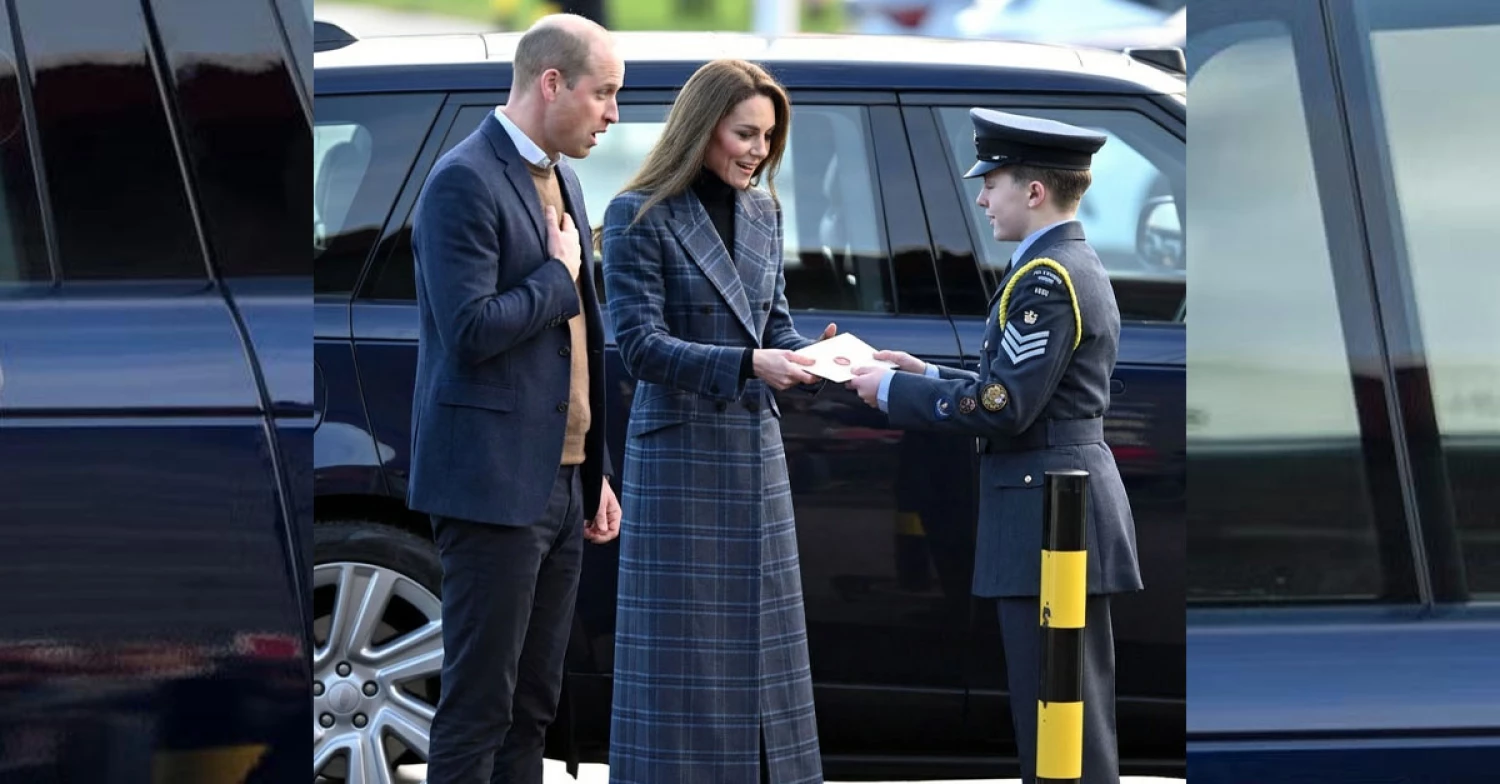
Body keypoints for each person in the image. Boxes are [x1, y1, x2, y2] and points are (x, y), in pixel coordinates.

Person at [846, 108, 1143, 784]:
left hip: (1050, 518)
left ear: (1032, 191)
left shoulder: (1046, 278)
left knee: (1060, 715)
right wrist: (926, 376)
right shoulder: (1059, 264)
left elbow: (1005, 408)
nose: (982, 197)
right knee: (1060, 710)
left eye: (993, 182)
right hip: (1049, 508)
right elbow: (1018, 387)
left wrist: (894, 390)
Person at [600, 58, 836, 784]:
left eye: (768, 137)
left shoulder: (766, 210)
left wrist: (829, 360)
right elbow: (638, 346)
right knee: (681, 662)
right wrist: (748, 365)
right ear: (702, 128)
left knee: (766, 658)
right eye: (744, 134)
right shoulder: (638, 212)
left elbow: (778, 329)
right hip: (679, 467)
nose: (758, 151)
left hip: (755, 462)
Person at [405, 14, 624, 784]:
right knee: (479, 708)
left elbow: (582, 342)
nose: (613, 114)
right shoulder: (462, 180)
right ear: (552, 82)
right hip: (492, 488)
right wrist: (557, 277)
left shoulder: (563, 175)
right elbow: (467, 330)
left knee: (533, 703)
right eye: (604, 94)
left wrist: (593, 470)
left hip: (560, 486)